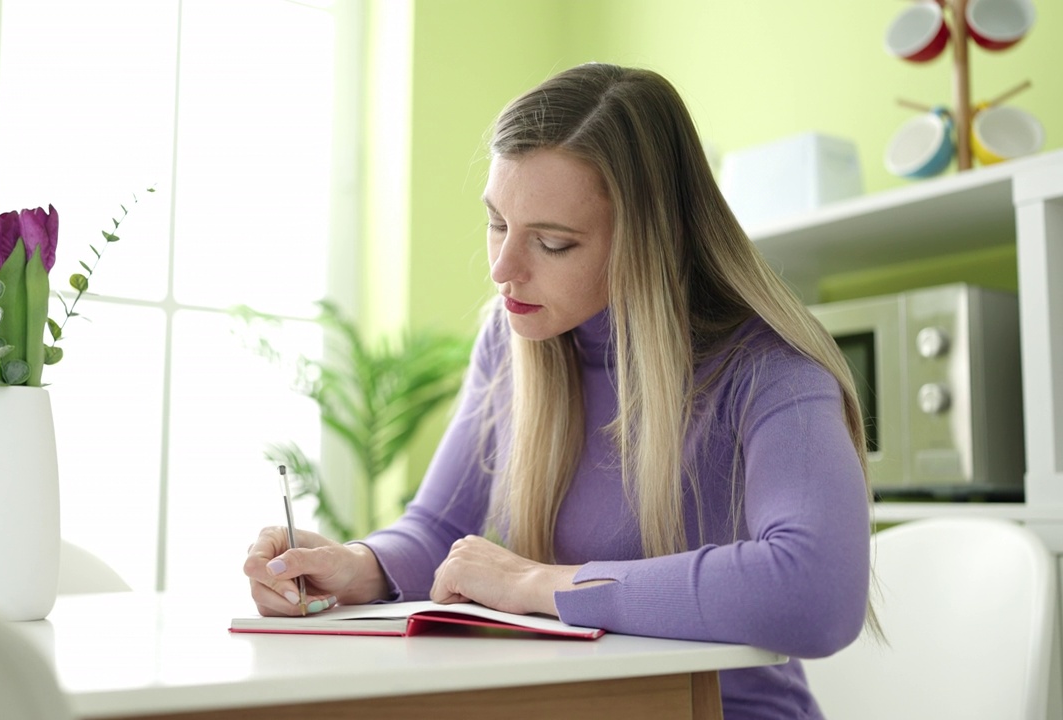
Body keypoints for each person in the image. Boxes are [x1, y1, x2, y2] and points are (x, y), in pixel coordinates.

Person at [243, 63, 875, 718]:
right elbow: (439, 527)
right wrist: (358, 566)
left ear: (650, 242)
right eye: (496, 223)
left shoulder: (767, 368)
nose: (501, 269)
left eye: (551, 242)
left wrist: (541, 585)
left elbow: (815, 592)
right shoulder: (513, 340)